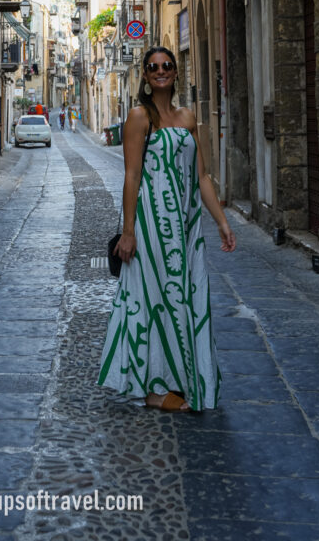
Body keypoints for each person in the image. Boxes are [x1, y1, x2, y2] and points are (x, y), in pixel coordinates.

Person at [98, 46, 236, 412]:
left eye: (167, 66)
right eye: (153, 67)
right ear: (145, 75)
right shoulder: (139, 117)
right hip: (151, 225)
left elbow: (202, 176)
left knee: (183, 300)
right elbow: (131, 176)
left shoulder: (189, 118)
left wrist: (221, 221)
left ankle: (181, 379)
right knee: (151, 301)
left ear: (176, 73)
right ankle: (153, 389)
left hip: (186, 228)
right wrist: (128, 232)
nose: (161, 71)